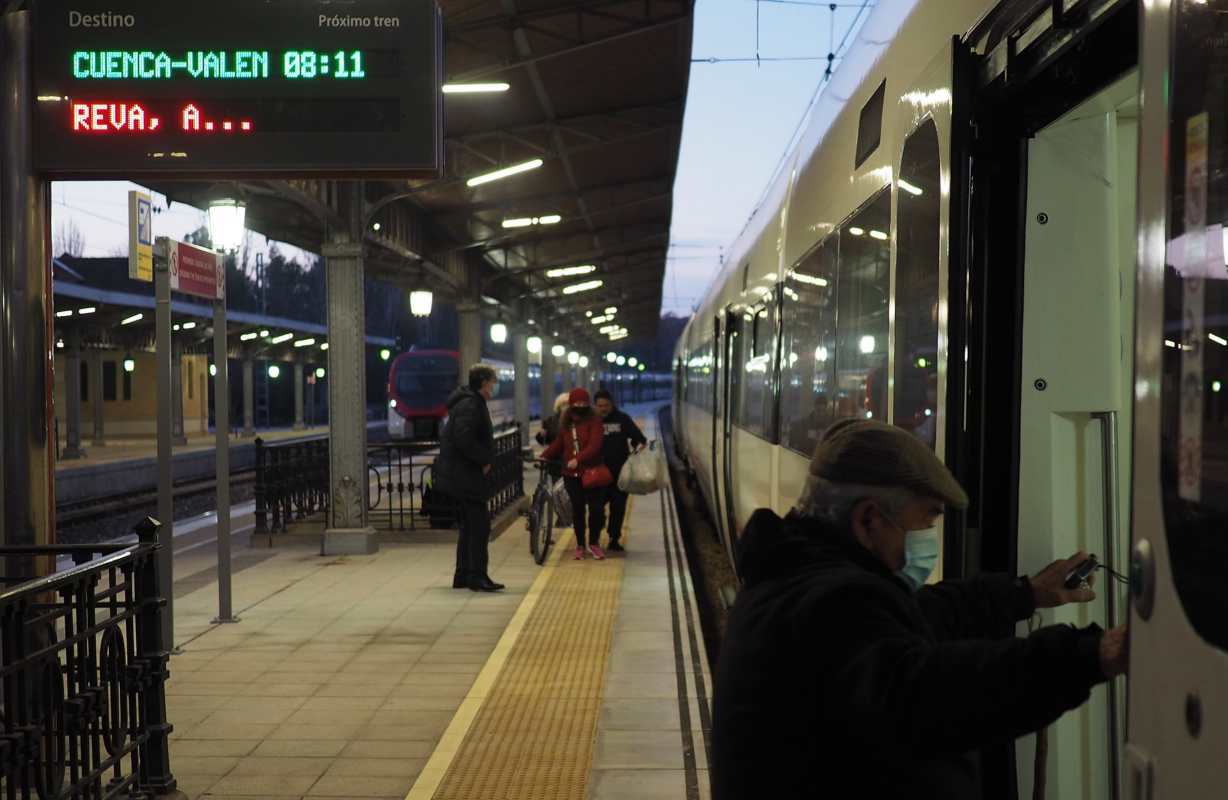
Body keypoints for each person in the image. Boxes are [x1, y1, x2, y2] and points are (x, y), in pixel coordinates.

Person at [711, 419, 1128, 799]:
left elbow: (919, 614)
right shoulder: (833, 604)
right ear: (869, 520)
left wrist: (1025, 594)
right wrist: (1090, 654)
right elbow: (936, 691)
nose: (925, 540)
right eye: (924, 523)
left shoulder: (797, 578)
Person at [434, 364, 505, 593]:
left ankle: (463, 575)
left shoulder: (468, 402)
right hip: (466, 475)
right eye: (493, 382)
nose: (495, 386)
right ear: (484, 382)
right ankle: (477, 576)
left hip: (461, 474)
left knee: (468, 527)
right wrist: (484, 459)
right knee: (479, 527)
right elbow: (463, 439)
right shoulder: (471, 404)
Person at [540, 388, 608, 560]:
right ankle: (580, 545)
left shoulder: (595, 421)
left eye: (584, 403)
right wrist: (543, 456)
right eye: (577, 404)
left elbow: (595, 445)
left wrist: (578, 459)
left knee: (596, 509)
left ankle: (594, 543)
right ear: (571, 405)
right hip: (571, 475)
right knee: (577, 510)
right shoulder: (566, 423)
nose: (580, 406)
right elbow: (558, 444)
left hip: (591, 473)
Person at [594, 389, 647, 552]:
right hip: (596, 474)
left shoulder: (622, 419)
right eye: (600, 405)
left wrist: (634, 453)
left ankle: (614, 538)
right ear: (595, 406)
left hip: (619, 474)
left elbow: (640, 439)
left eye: (606, 405)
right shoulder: (591, 421)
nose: (603, 409)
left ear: (612, 405)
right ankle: (595, 537)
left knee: (618, 508)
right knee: (596, 508)